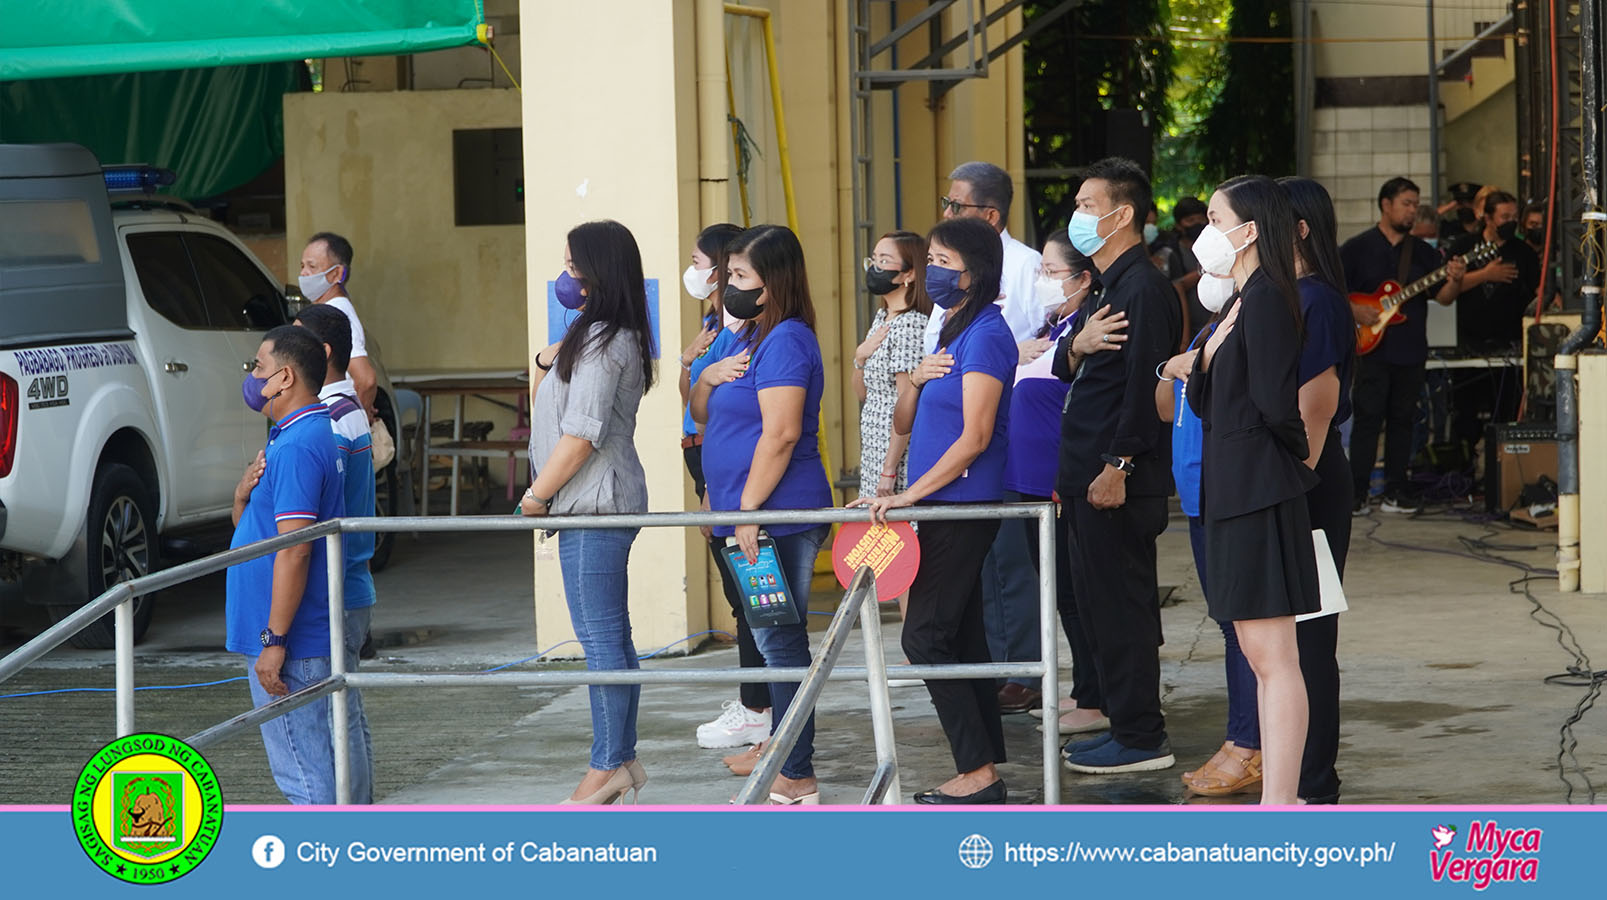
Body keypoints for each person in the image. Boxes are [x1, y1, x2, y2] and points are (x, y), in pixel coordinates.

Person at [852, 216, 1016, 804]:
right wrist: (914, 383)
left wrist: (909, 495)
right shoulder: (950, 329)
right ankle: (986, 761)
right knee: (963, 636)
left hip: (962, 505)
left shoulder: (988, 336)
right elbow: (906, 420)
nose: (935, 272)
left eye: (945, 262)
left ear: (973, 273)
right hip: (938, 505)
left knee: (924, 638)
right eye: (934, 260)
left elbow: (975, 436)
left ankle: (976, 772)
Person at [1187, 174, 1321, 806]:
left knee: (1273, 654)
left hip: (1258, 486)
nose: (1205, 230)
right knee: (1255, 646)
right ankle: (1281, 799)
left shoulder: (1267, 296)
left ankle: (1282, 800)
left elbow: (1275, 398)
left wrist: (1291, 453)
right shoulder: (1237, 298)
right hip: (1233, 485)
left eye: (1216, 218)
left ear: (1248, 229)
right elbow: (1211, 388)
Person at [692, 224, 832, 805]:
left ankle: (795, 774)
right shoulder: (746, 336)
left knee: (779, 642)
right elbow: (703, 411)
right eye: (728, 276)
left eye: (741, 277)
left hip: (776, 519)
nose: (730, 286)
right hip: (745, 513)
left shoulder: (787, 342)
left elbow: (780, 434)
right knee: (772, 636)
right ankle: (787, 761)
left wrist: (748, 512)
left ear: (771, 284)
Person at [520, 220, 656, 805]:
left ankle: (606, 765)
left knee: (600, 640)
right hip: (588, 503)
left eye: (574, 266)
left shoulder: (607, 341)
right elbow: (547, 403)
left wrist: (536, 497)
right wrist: (549, 355)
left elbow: (580, 436)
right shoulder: (592, 334)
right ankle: (620, 760)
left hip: (594, 506)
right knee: (611, 638)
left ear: (599, 272)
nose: (564, 276)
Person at [1054, 157, 1182, 775]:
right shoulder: (1105, 284)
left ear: (1120, 213)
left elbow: (1145, 390)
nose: (1078, 216)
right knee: (1098, 604)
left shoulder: (1143, 288)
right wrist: (1074, 345)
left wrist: (1119, 465)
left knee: (1124, 607)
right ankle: (1121, 719)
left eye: (1086, 205)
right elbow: (1065, 363)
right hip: (1083, 474)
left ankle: (1141, 735)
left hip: (1115, 478)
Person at [226, 325, 345, 804]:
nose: (254, 378)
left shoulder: (298, 444)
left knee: (302, 773)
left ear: (285, 377)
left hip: (289, 642)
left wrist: (274, 641)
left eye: (259, 367)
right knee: (309, 764)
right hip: (281, 634)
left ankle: (325, 866)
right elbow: (257, 530)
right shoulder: (293, 435)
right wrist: (240, 495)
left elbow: (295, 548)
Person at [677, 223, 774, 754]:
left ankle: (762, 715)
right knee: (745, 601)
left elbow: (751, 424)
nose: (694, 272)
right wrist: (694, 366)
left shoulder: (758, 333)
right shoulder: (719, 326)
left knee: (753, 602)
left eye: (700, 261)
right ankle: (760, 718)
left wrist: (702, 371)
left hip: (736, 483)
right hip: (710, 466)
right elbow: (693, 401)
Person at [1003, 232, 1106, 733]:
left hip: (1057, 482)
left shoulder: (1088, 327)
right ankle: (1086, 689)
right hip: (1029, 482)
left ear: (1083, 278)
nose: (1041, 280)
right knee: (1060, 592)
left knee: (1076, 592)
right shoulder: (1055, 325)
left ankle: (1096, 696)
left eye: (1050, 272)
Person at [1280, 175, 1357, 805]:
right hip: (1285, 481)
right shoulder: (1284, 294)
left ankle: (1314, 784)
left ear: (1299, 229)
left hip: (1307, 481)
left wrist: (1288, 484)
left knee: (1309, 641)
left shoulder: (1318, 300)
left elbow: (1317, 409)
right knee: (1284, 639)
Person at [291, 304, 377, 805]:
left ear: (321, 353)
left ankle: (348, 823)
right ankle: (358, 813)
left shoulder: (331, 422)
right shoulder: (343, 415)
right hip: (350, 584)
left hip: (337, 586)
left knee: (335, 715)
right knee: (347, 709)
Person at [1343, 177, 1466, 515]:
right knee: (1368, 419)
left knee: (1404, 419)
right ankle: (1357, 492)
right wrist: (1355, 309)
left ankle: (1397, 490)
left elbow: (1442, 298)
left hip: (1411, 349)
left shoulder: (1423, 252)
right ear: (1386, 205)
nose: (1413, 210)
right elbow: (1330, 288)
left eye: (1416, 204)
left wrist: (1455, 279)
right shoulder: (1357, 248)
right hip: (1371, 350)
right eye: (1407, 203)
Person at [925, 161, 1043, 350]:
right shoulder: (949, 262)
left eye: (956, 206)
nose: (947, 214)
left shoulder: (1025, 263)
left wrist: (1011, 356)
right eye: (946, 203)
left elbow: (1047, 335)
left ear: (991, 216)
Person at [854, 231, 932, 500]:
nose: (876, 268)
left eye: (885, 261)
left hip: (894, 452)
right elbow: (863, 392)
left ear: (909, 274)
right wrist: (860, 357)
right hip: (874, 446)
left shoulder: (910, 323)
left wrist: (889, 468)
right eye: (874, 259)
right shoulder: (882, 317)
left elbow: (905, 402)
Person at [300, 233, 377, 416]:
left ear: (337, 273)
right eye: (302, 266)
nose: (303, 273)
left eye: (312, 266)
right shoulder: (326, 310)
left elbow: (366, 380)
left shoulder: (337, 313)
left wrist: (357, 418)